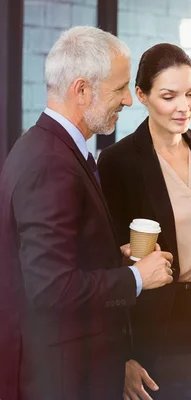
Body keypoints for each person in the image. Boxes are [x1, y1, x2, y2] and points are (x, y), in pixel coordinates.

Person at [0, 26, 174, 400]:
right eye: (120, 88)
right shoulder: (50, 163)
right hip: (59, 379)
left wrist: (113, 258)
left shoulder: (46, 147)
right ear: (81, 90)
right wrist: (136, 278)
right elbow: (50, 289)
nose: (129, 100)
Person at [98, 43, 191, 400]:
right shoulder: (117, 161)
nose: (183, 107)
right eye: (169, 96)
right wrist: (121, 355)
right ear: (141, 95)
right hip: (149, 329)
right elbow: (110, 261)